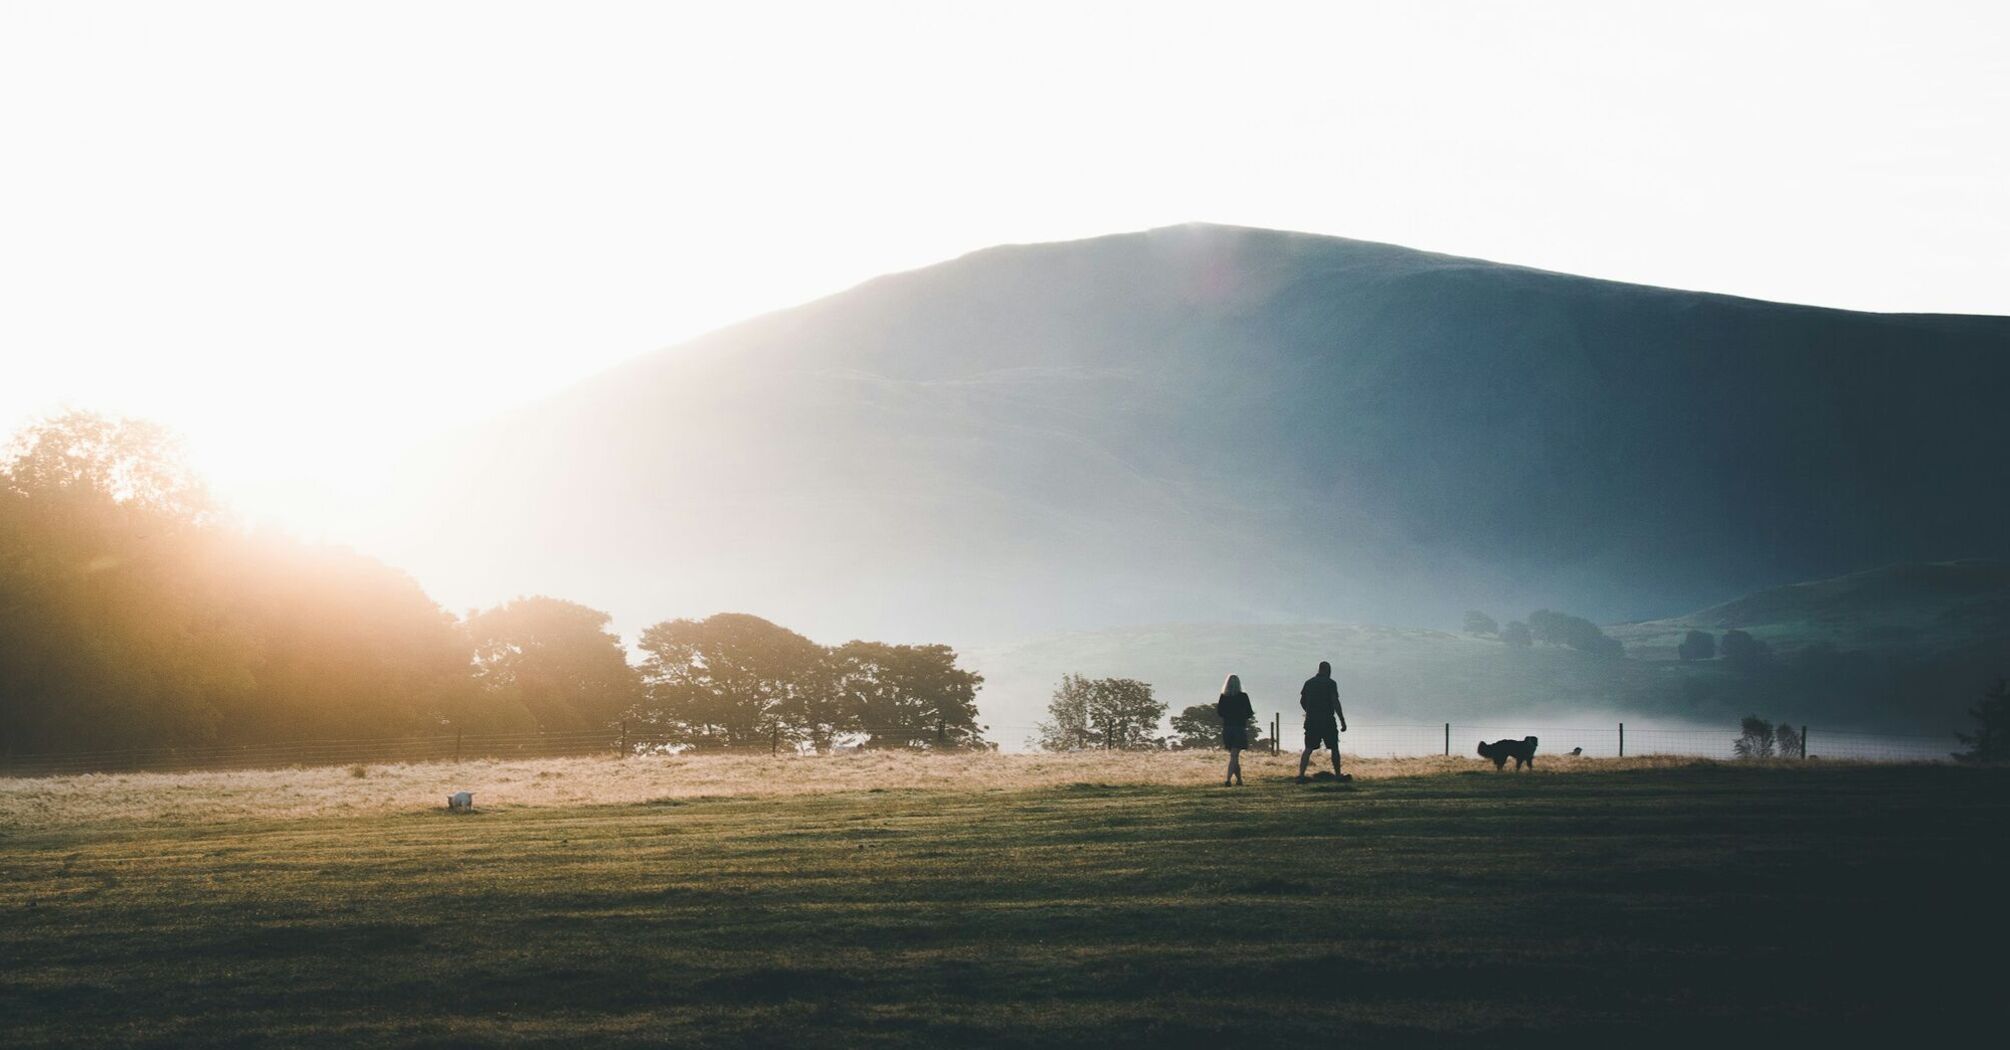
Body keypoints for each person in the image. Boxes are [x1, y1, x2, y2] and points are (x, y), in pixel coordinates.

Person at [1297, 660, 1350, 783]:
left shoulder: (1309, 683)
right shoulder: (1331, 684)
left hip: (1311, 720)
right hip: (1327, 720)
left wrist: (1309, 711)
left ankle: (1301, 775)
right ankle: (1337, 775)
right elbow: (1335, 702)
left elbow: (1302, 701)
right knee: (1334, 747)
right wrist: (1342, 720)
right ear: (1327, 670)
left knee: (1308, 748)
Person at [1215, 673, 1255, 786]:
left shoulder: (1223, 697)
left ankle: (1239, 780)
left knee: (1234, 756)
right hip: (1239, 728)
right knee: (1234, 756)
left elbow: (1220, 712)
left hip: (1227, 729)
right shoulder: (1243, 696)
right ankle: (1228, 779)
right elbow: (1249, 713)